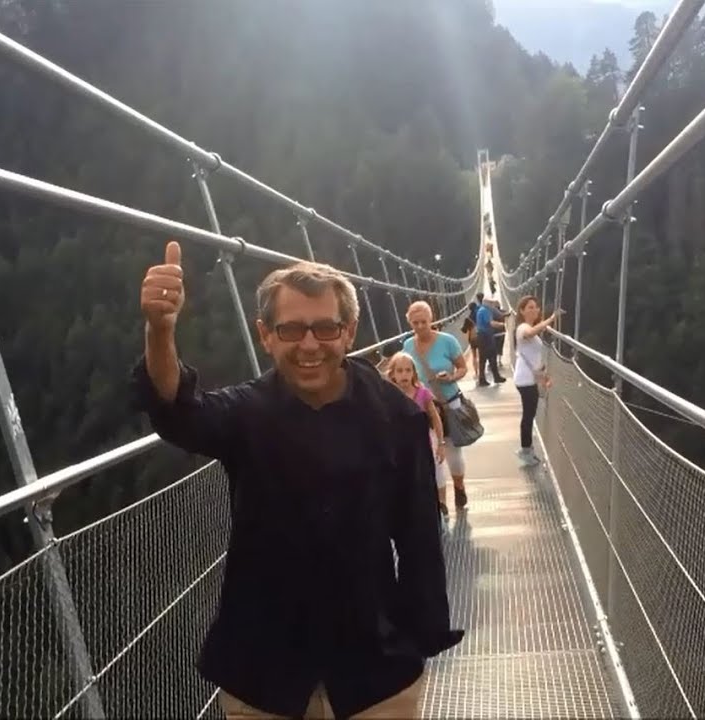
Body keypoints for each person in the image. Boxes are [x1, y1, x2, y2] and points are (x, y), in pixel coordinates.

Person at [132, 242, 463, 719]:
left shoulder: (397, 418)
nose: (309, 344)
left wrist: (417, 645)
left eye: (326, 327)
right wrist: (160, 331)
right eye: (291, 329)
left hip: (374, 672)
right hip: (265, 673)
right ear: (266, 335)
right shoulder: (248, 413)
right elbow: (180, 414)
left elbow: (419, 543)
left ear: (348, 332)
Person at [402, 301, 471, 512]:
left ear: (431, 320)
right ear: (410, 323)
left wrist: (451, 377)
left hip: (449, 403)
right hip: (422, 406)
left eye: (424, 321)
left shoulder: (447, 341)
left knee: (453, 452)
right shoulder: (407, 346)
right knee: (434, 454)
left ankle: (459, 487)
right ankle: (441, 502)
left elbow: (462, 367)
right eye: (415, 323)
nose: (420, 326)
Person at [384, 354, 447, 505]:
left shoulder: (422, 393)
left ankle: (442, 504)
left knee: (437, 474)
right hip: (401, 445)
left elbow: (435, 418)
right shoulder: (388, 396)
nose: (404, 375)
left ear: (414, 373)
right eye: (399, 371)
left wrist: (441, 443)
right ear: (392, 374)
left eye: (408, 370)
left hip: (425, 442)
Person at [512, 295, 560, 467]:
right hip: (525, 380)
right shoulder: (522, 327)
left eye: (536, 307)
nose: (534, 310)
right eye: (529, 307)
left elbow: (534, 358)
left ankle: (527, 449)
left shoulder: (528, 326)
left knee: (529, 414)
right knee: (528, 415)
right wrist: (551, 319)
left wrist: (544, 377)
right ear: (522, 311)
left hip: (529, 377)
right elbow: (531, 333)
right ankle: (526, 451)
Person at [474, 297, 506, 386]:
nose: (493, 305)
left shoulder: (481, 310)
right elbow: (491, 323)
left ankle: (484, 379)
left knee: (483, 359)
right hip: (486, 336)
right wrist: (501, 325)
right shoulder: (485, 311)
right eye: (491, 303)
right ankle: (494, 377)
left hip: (482, 336)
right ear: (487, 303)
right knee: (492, 356)